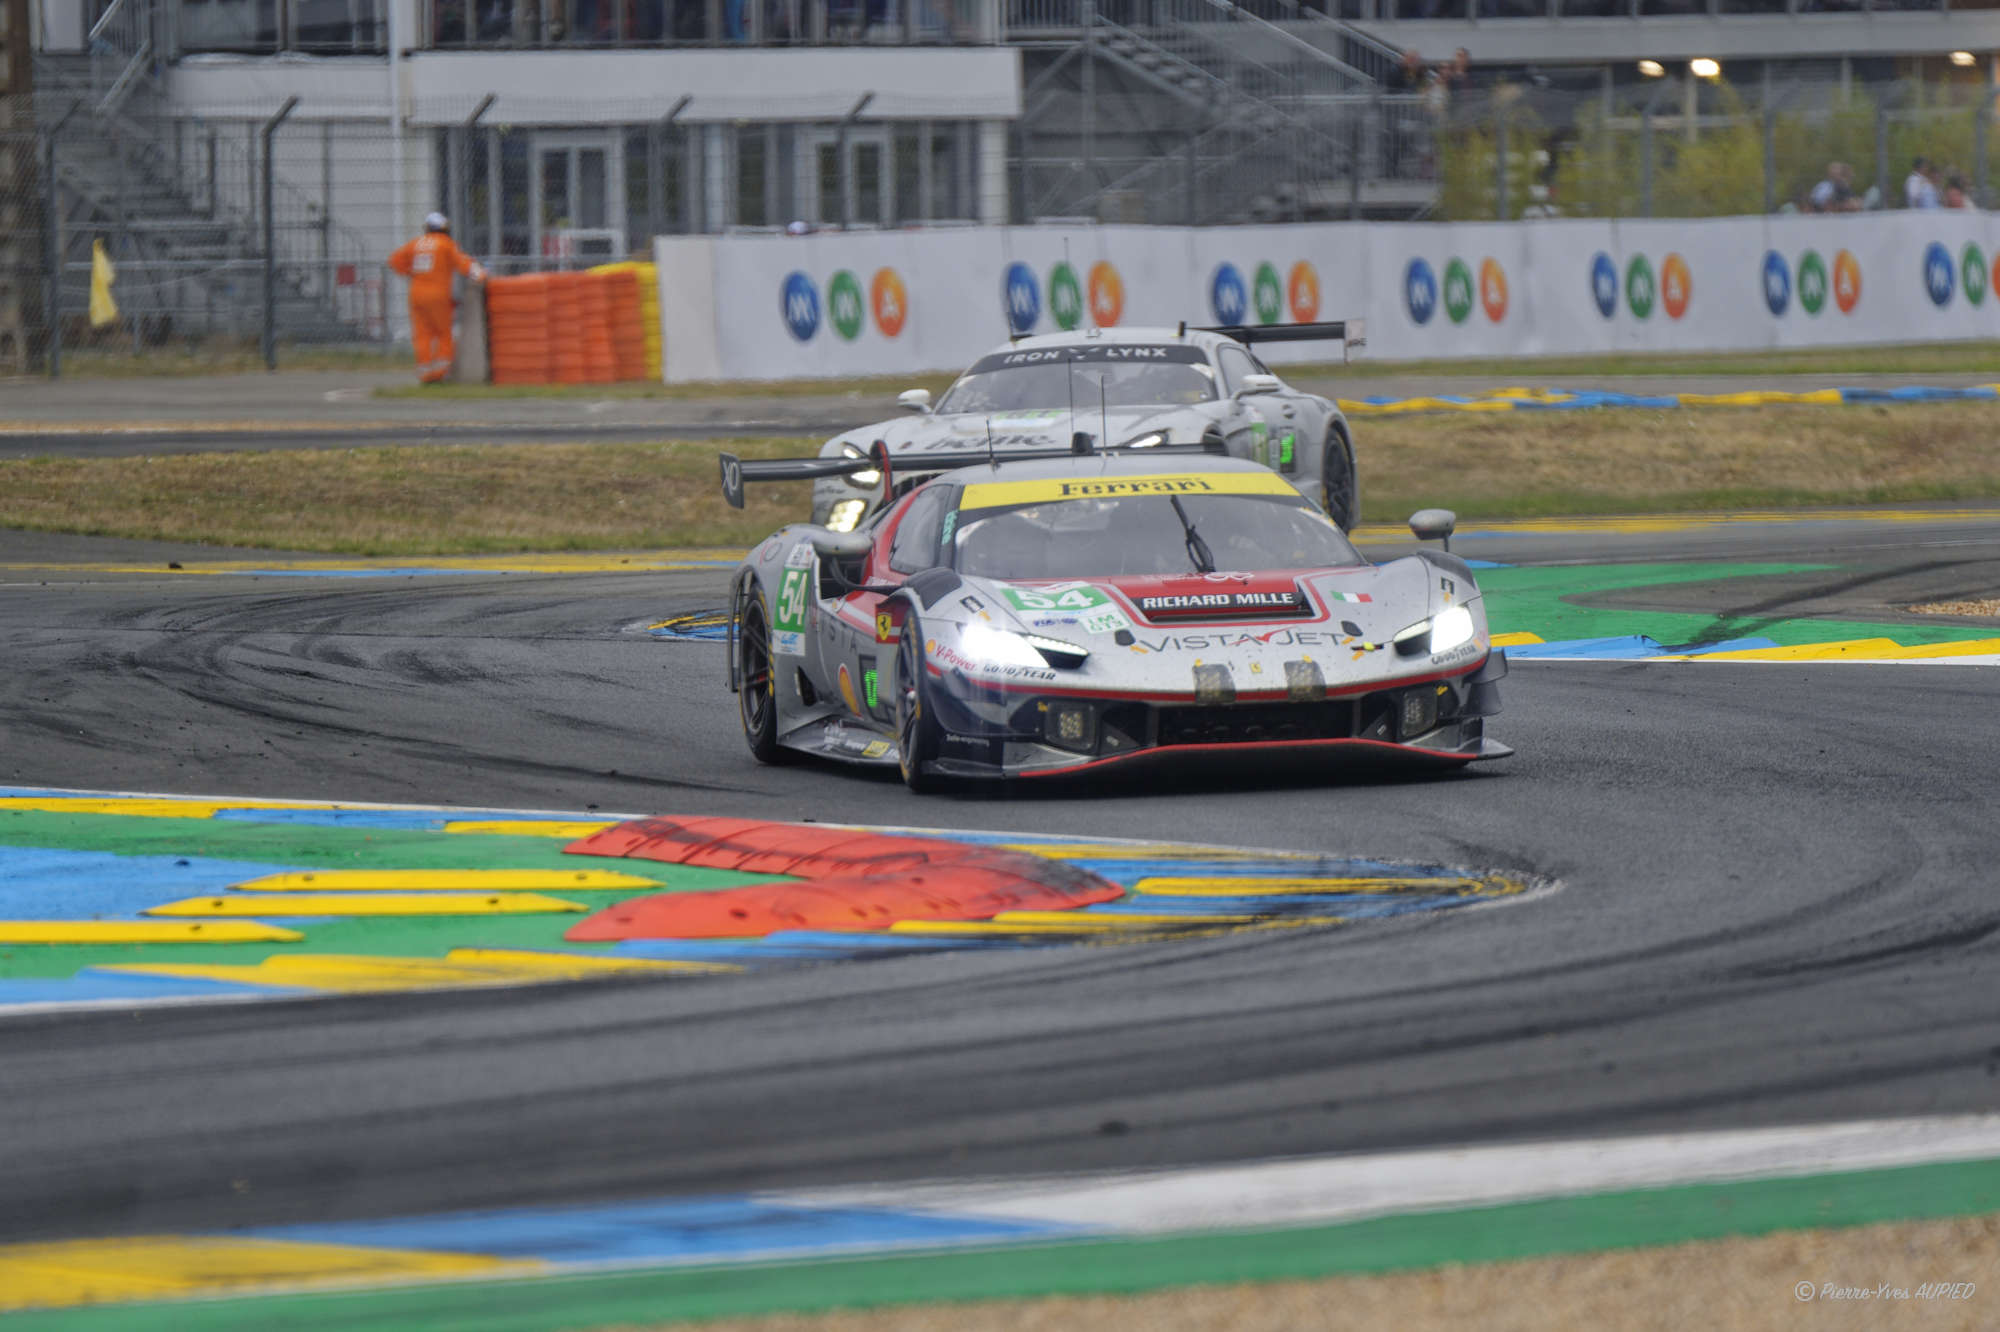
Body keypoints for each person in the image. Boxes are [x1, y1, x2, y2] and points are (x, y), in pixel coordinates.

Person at [388, 213, 486, 385]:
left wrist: (411, 273)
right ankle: (440, 372)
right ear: (444, 229)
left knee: (422, 335)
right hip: (437, 294)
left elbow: (394, 261)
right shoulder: (445, 244)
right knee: (443, 333)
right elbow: (463, 263)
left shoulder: (416, 244)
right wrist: (481, 276)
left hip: (416, 294)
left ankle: (425, 374)